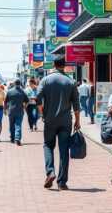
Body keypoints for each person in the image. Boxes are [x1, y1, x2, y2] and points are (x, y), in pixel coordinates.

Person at [37, 55, 81, 191]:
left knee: (48, 146)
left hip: (50, 120)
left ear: (53, 65)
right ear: (64, 65)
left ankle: (50, 172)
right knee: (64, 150)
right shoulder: (71, 81)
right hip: (66, 121)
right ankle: (62, 182)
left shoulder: (45, 80)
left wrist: (42, 113)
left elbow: (37, 98)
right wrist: (78, 121)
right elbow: (76, 105)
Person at [5, 79, 28, 145]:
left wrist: (5, 109)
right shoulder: (22, 92)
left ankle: (12, 138)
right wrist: (24, 107)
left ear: (14, 84)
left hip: (11, 111)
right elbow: (27, 101)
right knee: (18, 125)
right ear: (20, 84)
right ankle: (17, 138)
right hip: (20, 111)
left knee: (11, 125)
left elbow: (6, 101)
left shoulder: (9, 91)